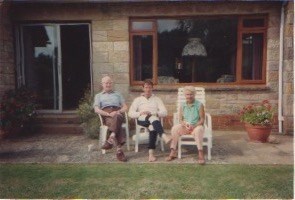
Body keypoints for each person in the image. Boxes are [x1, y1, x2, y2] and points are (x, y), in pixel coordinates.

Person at [128, 79, 170, 162]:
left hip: (153, 120)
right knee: (152, 118)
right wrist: (140, 113)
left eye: (150, 87)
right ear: (143, 88)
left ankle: (151, 154)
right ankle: (163, 136)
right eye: (146, 87)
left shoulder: (157, 99)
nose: (148, 89)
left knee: (152, 127)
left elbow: (165, 112)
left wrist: (154, 113)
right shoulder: (138, 99)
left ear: (152, 88)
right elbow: (130, 113)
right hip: (142, 120)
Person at [166, 86, 205, 164]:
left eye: (191, 94)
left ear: (194, 95)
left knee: (198, 130)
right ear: (185, 95)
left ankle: (200, 153)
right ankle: (173, 152)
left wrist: (194, 126)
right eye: (187, 94)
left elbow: (202, 120)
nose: (189, 96)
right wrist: (183, 123)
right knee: (174, 129)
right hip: (186, 127)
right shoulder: (182, 105)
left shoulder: (199, 105)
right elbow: (180, 119)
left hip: (196, 126)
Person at [93, 75, 128, 162]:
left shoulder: (118, 94)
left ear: (112, 84)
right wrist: (108, 114)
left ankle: (111, 138)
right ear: (102, 84)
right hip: (106, 115)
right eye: (106, 83)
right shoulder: (98, 96)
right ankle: (119, 150)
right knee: (118, 123)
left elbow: (125, 107)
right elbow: (96, 109)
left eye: (109, 83)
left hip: (117, 112)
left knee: (117, 117)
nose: (108, 85)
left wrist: (117, 111)